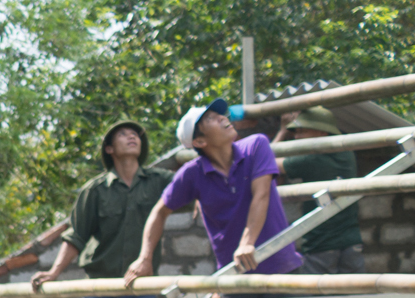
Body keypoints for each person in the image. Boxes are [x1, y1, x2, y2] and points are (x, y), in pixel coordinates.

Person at [123, 98, 304, 282]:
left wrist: (247, 244)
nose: (222, 118)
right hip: (233, 275)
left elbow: (261, 195)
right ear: (200, 141)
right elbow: (159, 211)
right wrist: (144, 259)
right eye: (210, 119)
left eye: (220, 115)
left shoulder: (256, 145)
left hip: (280, 269)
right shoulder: (193, 173)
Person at [31, 121, 172, 290]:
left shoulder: (159, 181)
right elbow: (76, 236)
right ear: (109, 149)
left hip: (141, 284)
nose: (132, 136)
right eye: (122, 134)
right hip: (100, 285)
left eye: (135, 134)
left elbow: (191, 185)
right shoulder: (95, 190)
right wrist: (54, 273)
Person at [277, 106, 368, 277]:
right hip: (351, 243)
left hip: (321, 246)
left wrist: (282, 131)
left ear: (321, 133)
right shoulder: (346, 153)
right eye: (294, 132)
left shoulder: (311, 160)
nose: (296, 137)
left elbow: (266, 162)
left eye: (302, 131)